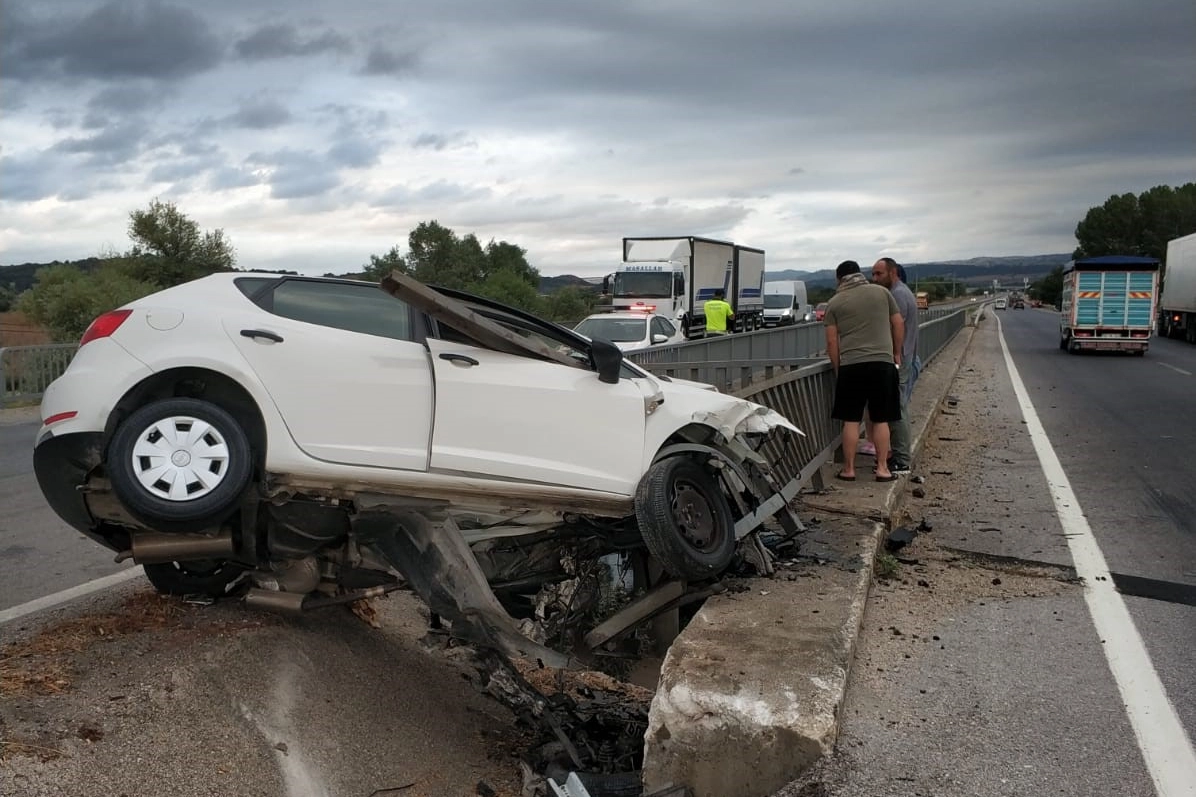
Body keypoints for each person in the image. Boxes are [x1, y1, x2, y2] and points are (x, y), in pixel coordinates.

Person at [823, 260, 904, 482]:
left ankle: (849, 470)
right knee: (881, 419)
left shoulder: (835, 302)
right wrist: (896, 353)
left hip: (852, 365)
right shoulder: (882, 293)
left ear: (840, 279)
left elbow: (831, 342)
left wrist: (840, 368)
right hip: (882, 364)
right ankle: (882, 469)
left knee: (850, 420)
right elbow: (898, 323)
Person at [870, 257, 920, 473]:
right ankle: (897, 455)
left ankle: (901, 459)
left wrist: (895, 354)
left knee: (896, 409)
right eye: (873, 274)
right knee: (896, 407)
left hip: (900, 358)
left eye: (879, 274)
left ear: (892, 273)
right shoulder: (902, 292)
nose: (875, 279)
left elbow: (895, 326)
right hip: (905, 356)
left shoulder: (898, 295)